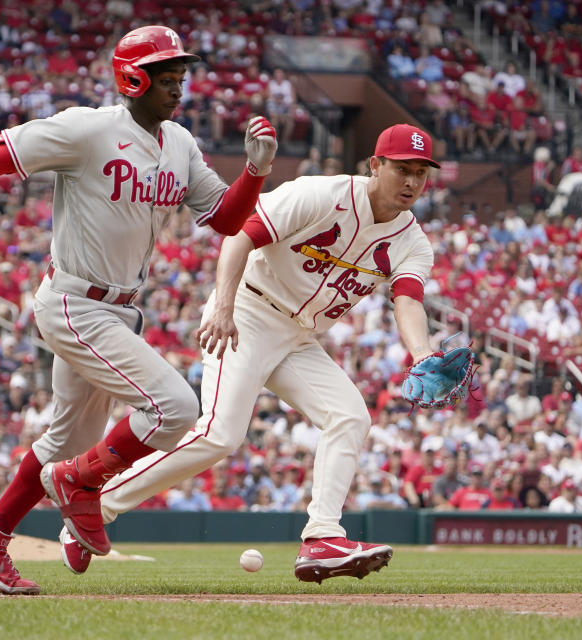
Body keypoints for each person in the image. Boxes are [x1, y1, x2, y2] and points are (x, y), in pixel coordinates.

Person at [0, 25, 277, 596]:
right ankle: (79, 483)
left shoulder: (181, 143)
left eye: (181, 77)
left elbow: (223, 218)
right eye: (167, 78)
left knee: (63, 442)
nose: (178, 88)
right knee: (175, 407)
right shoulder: (88, 129)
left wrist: (256, 172)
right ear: (132, 79)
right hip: (74, 302)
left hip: (117, 311)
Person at [81, 123, 441, 583]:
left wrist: (424, 353)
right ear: (376, 165)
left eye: (421, 173)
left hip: (299, 337)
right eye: (402, 169)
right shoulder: (320, 194)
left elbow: (408, 300)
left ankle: (322, 538)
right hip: (249, 311)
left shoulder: (412, 241)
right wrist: (225, 305)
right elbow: (241, 236)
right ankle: (98, 505)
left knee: (350, 415)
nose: (412, 182)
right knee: (219, 434)